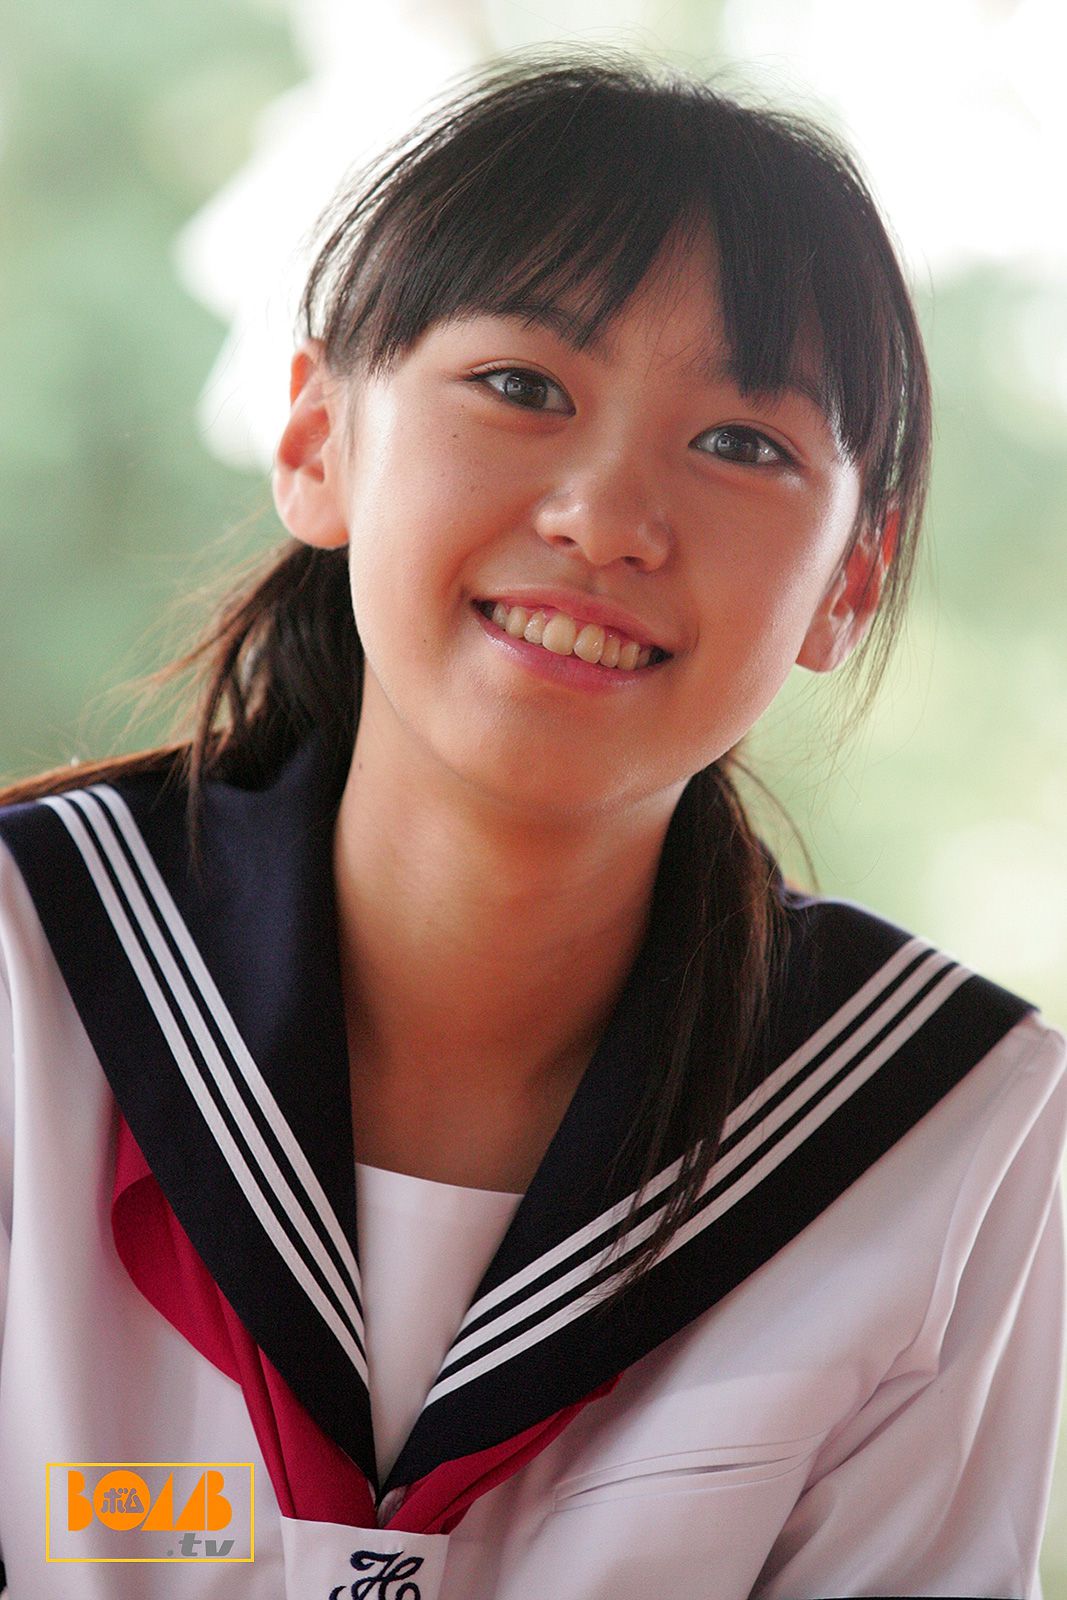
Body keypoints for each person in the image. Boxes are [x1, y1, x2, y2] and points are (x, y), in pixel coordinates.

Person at [0, 52, 1063, 1600]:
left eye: (744, 444)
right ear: (317, 443)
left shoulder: (943, 1125)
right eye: (523, 388)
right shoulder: (31, 973)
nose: (607, 519)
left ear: (849, 582)